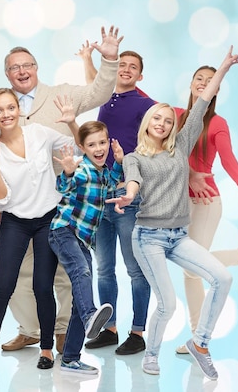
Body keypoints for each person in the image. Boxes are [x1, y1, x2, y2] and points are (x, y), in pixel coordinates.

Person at [108, 46, 238, 380]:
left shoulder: (180, 146)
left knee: (223, 278)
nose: (163, 123)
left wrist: (223, 68)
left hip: (178, 237)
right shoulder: (134, 157)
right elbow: (133, 182)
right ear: (148, 123)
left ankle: (201, 344)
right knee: (168, 304)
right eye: (158, 118)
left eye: (169, 121)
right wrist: (128, 196)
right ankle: (151, 354)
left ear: (174, 126)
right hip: (149, 237)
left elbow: (203, 104)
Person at [0, 27, 123, 354]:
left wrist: (108, 59)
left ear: (37, 68)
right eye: (14, 67)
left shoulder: (60, 95)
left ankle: (66, 329)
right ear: (7, 74)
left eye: (27, 65)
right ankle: (31, 329)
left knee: (65, 272)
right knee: (20, 274)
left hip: (62, 201)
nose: (22, 71)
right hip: (18, 206)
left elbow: (100, 92)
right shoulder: (3, 105)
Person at [0, 90, 80, 370]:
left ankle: (46, 349)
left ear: (19, 109)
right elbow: (2, 198)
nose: (6, 114)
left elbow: (79, 148)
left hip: (47, 218)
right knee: (4, 285)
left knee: (42, 286)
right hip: (15, 222)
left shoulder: (39, 134)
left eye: (10, 108)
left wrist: (71, 122)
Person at [173, 65, 238, 354]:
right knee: (189, 268)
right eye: (199, 79)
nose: (203, 83)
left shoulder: (217, 123)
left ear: (217, 89)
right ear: (191, 83)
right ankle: (196, 338)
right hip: (180, 203)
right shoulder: (176, 116)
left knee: (192, 265)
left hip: (205, 202)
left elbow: (228, 158)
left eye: (209, 81)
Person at [76, 43, 153, 355]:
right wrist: (86, 59)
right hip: (98, 195)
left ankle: (137, 332)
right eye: (122, 64)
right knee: (105, 267)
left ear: (140, 75)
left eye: (132, 67)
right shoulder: (108, 94)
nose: (125, 69)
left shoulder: (145, 104)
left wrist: (133, 175)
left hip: (125, 196)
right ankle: (109, 330)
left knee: (135, 268)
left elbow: (161, 137)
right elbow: (98, 83)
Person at [48, 120, 123, 375]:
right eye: (92, 145)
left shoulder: (103, 172)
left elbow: (111, 184)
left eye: (102, 142)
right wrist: (67, 171)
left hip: (82, 239)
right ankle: (91, 314)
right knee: (82, 273)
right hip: (64, 230)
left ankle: (70, 358)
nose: (99, 148)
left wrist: (120, 162)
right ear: (82, 147)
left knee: (81, 296)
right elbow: (63, 187)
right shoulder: (82, 169)